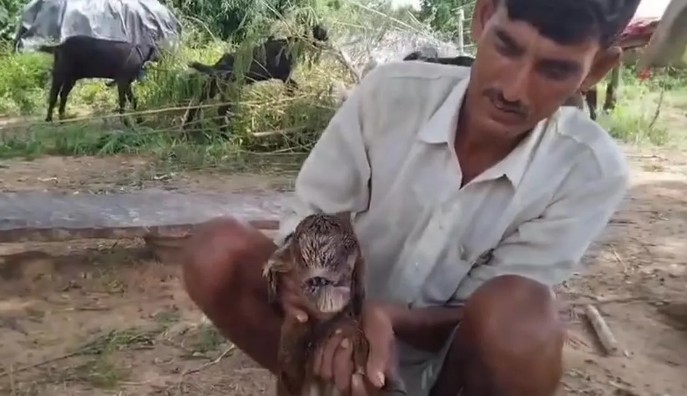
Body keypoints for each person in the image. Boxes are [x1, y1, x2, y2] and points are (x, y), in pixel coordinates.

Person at [181, 0, 641, 394]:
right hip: (328, 327)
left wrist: (390, 319)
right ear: (484, 16)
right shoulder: (389, 96)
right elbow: (320, 222)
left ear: (597, 69)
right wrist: (335, 319)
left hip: (450, 368)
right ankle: (313, 383)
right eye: (507, 46)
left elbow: (494, 310)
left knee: (525, 324)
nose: (513, 89)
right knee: (217, 248)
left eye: (555, 69)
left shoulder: (589, 172)